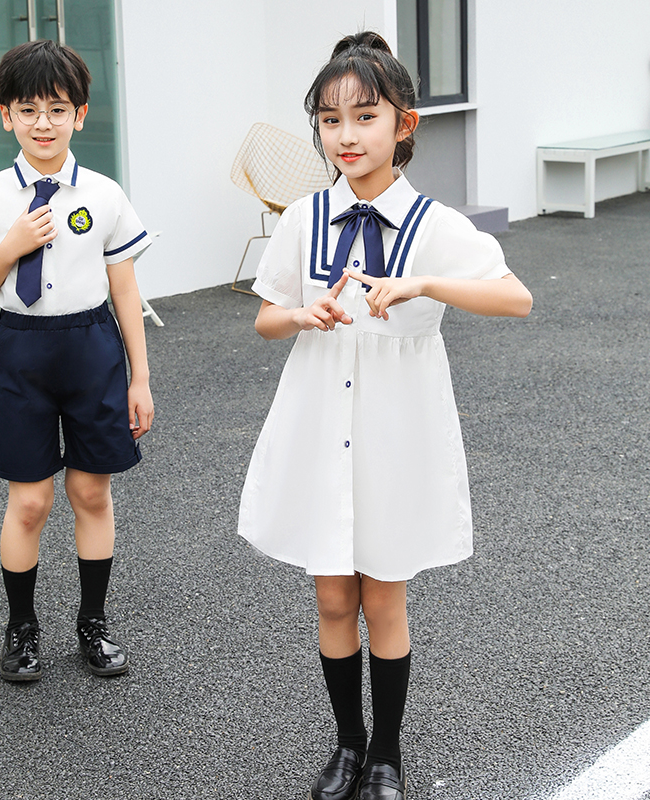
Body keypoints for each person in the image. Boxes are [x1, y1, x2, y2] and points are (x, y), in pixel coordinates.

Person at [237, 31, 532, 800]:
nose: (346, 136)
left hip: (396, 426)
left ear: (403, 124)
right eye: (330, 121)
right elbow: (266, 315)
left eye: (364, 117)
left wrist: (423, 283)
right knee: (333, 593)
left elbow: (515, 298)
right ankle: (346, 746)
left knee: (383, 591)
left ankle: (388, 757)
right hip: (316, 416)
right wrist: (302, 317)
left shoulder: (434, 224)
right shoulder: (304, 218)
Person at [0, 40, 154, 682]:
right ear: (7, 115)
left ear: (81, 115)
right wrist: (8, 247)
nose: (44, 122)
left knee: (91, 490)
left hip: (92, 349)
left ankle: (92, 624)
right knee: (31, 501)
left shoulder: (104, 193)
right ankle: (22, 627)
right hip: (22, 350)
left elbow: (125, 288)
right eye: (29, 108)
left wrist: (140, 378)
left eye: (57, 108)